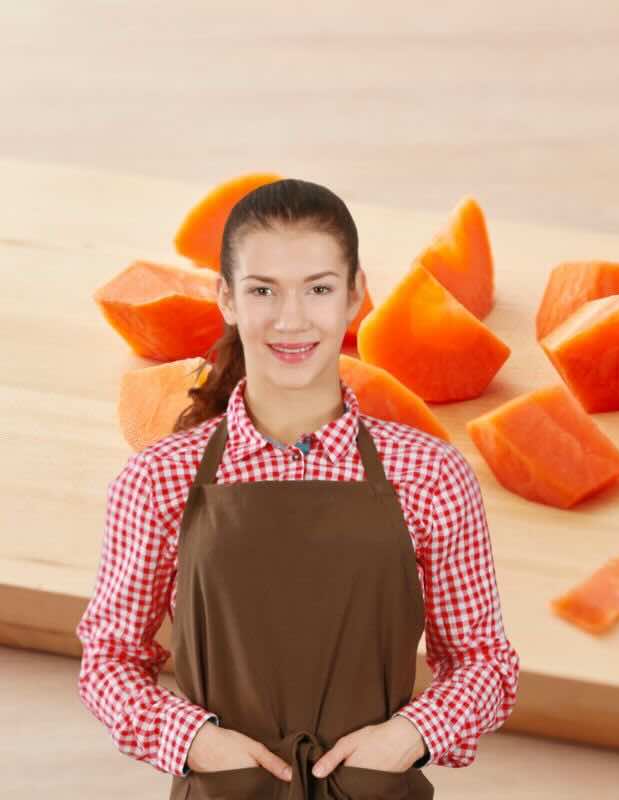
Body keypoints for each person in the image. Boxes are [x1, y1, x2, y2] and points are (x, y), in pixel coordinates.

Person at [75, 178, 520, 798]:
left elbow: (483, 663)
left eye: (317, 289)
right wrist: (195, 741)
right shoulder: (157, 480)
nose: (291, 320)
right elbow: (110, 660)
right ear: (227, 299)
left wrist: (407, 738)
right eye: (263, 291)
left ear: (354, 297)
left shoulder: (430, 474)